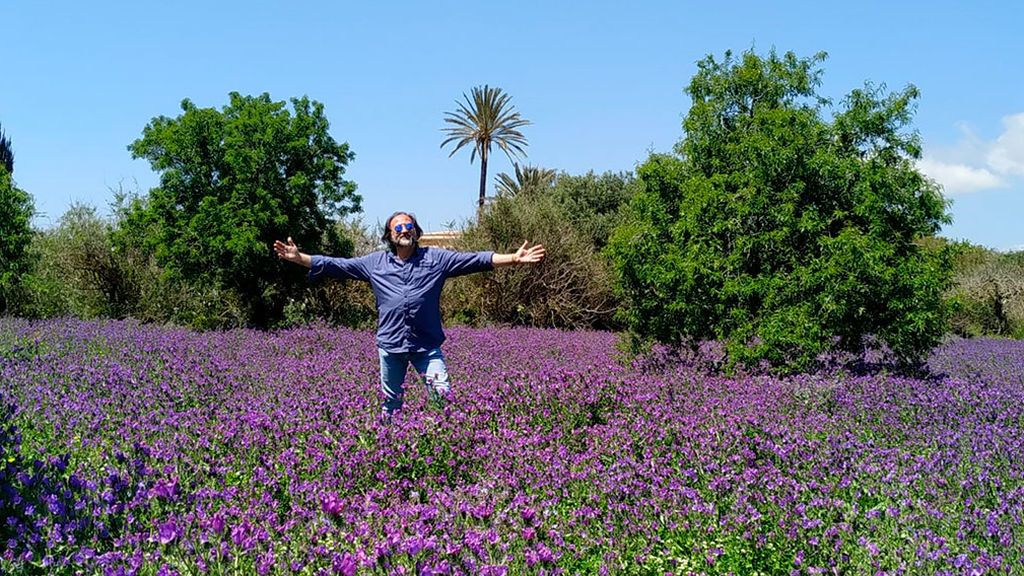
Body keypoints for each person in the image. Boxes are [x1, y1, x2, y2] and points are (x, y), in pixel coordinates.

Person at [273, 211, 545, 419]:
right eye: (398, 227)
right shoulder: (374, 263)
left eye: (409, 226)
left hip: (426, 346)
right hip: (391, 346)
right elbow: (337, 265)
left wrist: (514, 258)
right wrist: (299, 258)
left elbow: (475, 259)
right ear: (389, 235)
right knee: (391, 402)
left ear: (416, 231)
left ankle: (444, 444)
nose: (404, 230)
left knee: (442, 397)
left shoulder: (437, 259)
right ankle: (390, 445)